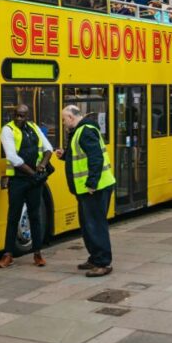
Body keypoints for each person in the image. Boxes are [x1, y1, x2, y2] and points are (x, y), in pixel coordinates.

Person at [55, 105, 116, 277]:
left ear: (72, 117)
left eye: (64, 119)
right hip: (86, 189)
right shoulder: (79, 131)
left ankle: (103, 263)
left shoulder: (86, 131)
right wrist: (64, 155)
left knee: (96, 225)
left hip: (96, 188)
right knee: (87, 225)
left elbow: (95, 158)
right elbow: (80, 154)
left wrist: (92, 183)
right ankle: (95, 258)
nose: (63, 122)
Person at [0, 105, 53, 269]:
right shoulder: (7, 130)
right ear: (12, 115)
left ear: (27, 116)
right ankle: (8, 254)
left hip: (34, 180)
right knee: (13, 216)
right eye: (17, 115)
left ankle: (37, 253)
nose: (19, 118)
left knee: (35, 215)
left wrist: (42, 166)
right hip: (18, 180)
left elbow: (48, 148)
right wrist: (33, 174)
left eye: (23, 116)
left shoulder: (34, 127)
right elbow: (12, 157)